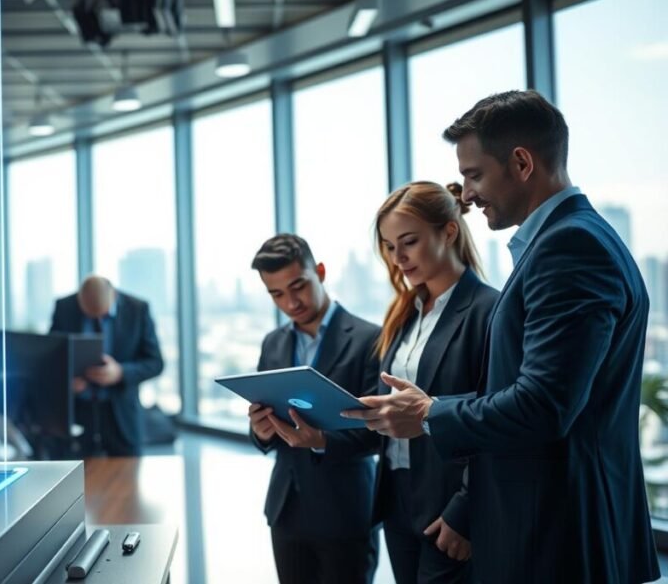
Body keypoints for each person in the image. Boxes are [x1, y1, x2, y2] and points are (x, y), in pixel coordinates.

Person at [343, 90, 660, 583]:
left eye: (474, 175)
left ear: (521, 162)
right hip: (557, 527)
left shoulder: (570, 246)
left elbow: (544, 404)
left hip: (558, 534)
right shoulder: (571, 239)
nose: (465, 194)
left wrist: (430, 414)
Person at [321, 181, 498, 583]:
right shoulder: (404, 315)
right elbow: (391, 417)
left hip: (449, 502)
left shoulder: (488, 310)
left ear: (448, 232)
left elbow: (495, 415)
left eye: (409, 242)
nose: (397, 257)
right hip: (397, 497)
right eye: (387, 246)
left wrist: (465, 509)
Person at [247, 234, 381, 584]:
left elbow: (380, 431)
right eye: (277, 294)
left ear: (319, 272)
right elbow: (267, 427)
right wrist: (261, 432)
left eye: (298, 286)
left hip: (346, 511)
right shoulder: (273, 344)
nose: (291, 302)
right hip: (286, 510)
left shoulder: (370, 339)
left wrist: (321, 439)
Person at [50, 275, 163, 457]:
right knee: (79, 481)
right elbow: (51, 359)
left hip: (121, 417)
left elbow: (156, 363)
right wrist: (66, 381)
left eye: (103, 315)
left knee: (125, 481)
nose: (98, 320)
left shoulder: (137, 310)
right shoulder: (64, 308)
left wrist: (120, 373)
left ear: (114, 296)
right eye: (90, 316)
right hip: (78, 415)